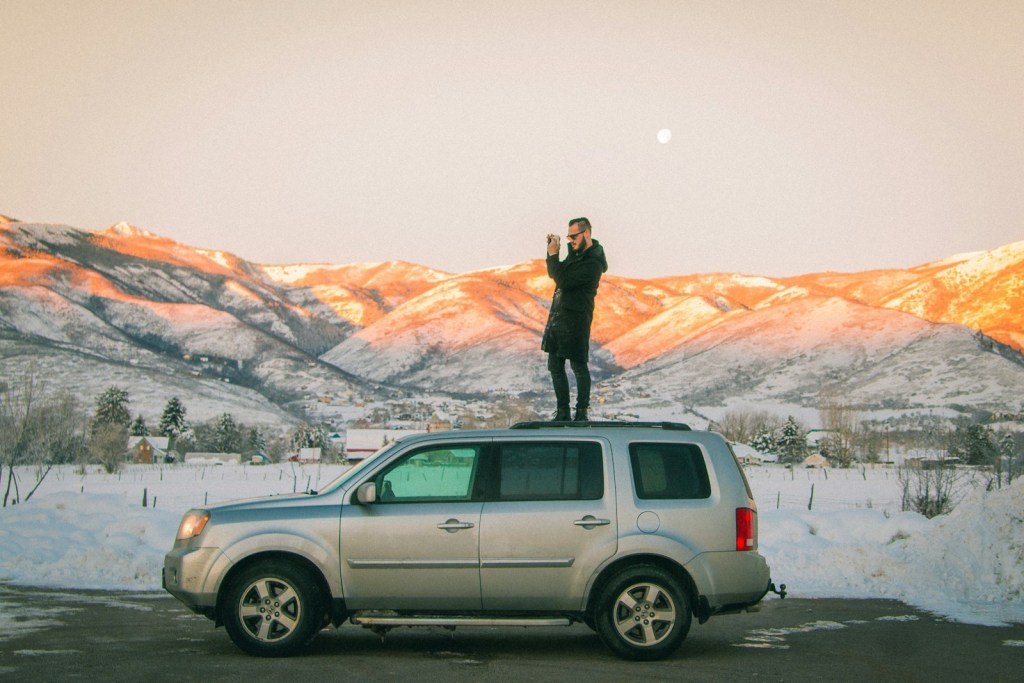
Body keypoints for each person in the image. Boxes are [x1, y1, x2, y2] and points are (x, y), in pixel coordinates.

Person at [541, 217, 608, 422]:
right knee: (555, 366)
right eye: (568, 236)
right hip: (559, 319)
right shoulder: (575, 256)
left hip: (576, 321)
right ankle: (562, 411)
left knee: (578, 366)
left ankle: (582, 412)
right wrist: (554, 251)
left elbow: (562, 280)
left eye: (573, 236)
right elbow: (560, 274)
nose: (570, 240)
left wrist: (553, 256)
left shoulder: (593, 263)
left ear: (586, 233)